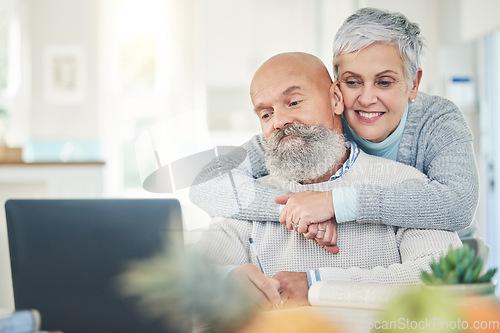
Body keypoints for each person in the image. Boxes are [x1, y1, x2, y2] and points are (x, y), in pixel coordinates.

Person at [193, 52, 462, 309]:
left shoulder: (402, 184)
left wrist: (318, 285)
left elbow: (445, 276)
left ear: (335, 99)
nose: (280, 121)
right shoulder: (247, 199)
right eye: (265, 114)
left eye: (294, 102)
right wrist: (227, 280)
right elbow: (189, 278)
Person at [189, 7, 478, 245]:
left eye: (384, 82)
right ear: (336, 91)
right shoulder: (313, 129)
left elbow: (459, 203)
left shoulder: (438, 120)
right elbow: (206, 183)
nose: (366, 98)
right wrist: (298, 207)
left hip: (450, 256)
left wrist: (335, 203)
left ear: (413, 85)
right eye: (353, 82)